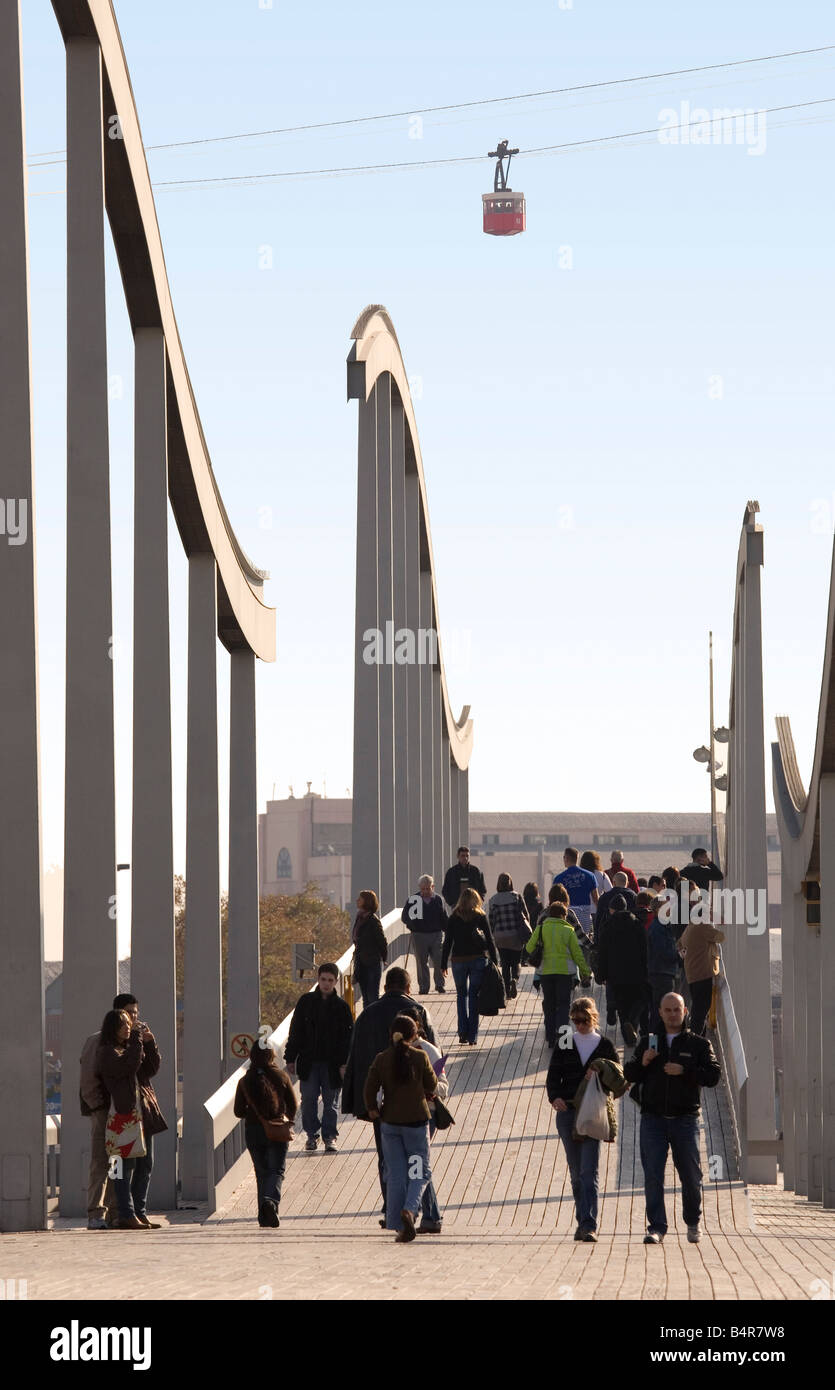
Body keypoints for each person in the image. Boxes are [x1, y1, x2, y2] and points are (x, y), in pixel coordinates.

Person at [341, 966, 440, 1231]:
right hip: (418, 1116)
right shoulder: (419, 1015)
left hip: (385, 1113)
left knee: (389, 1164)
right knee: (418, 1165)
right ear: (409, 988)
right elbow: (435, 1069)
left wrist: (368, 1107)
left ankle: (393, 1214)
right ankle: (421, 1213)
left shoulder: (368, 1015)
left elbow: (355, 1058)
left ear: (385, 988)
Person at [624, 992, 721, 1244]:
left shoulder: (698, 1044)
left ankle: (693, 1222)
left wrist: (685, 1070)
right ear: (659, 1013)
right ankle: (656, 1227)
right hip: (653, 1118)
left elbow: (713, 1075)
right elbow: (629, 1073)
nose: (672, 1014)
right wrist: (643, 1062)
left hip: (685, 1119)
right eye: (667, 1010)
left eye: (676, 1010)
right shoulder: (648, 1041)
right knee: (653, 1175)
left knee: (690, 1175)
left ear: (685, 1011)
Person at [547, 996, 623, 1242]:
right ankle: (582, 1220)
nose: (579, 1025)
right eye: (575, 1020)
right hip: (567, 1112)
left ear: (593, 1018)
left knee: (589, 1171)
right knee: (576, 1170)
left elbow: (619, 1080)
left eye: (584, 1020)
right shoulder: (565, 1042)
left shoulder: (605, 1046)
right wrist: (554, 1098)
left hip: (592, 1114)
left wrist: (600, 1074)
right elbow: (553, 1077)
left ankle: (589, 1224)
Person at [364, 1014, 437, 1242]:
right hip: (415, 1125)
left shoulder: (382, 1058)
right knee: (418, 1173)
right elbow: (432, 1084)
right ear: (414, 1034)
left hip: (391, 1125)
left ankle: (397, 1224)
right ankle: (410, 1210)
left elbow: (369, 1088)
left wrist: (373, 1109)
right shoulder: (419, 1056)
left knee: (395, 1174)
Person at [96, 1007, 167, 1230]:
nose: (129, 1028)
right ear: (113, 1029)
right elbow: (129, 1066)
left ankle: (138, 1211)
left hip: (141, 1116)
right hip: (121, 1118)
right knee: (121, 1168)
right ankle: (126, 1214)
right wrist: (137, 1039)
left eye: (130, 1024)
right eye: (124, 1025)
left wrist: (150, 1043)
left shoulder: (130, 1049)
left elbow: (150, 1068)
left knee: (144, 1165)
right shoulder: (108, 1052)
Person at [79, 990, 139, 1230]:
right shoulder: (98, 1042)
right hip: (104, 1110)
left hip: (120, 1112)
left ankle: (116, 1211)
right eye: (129, 1014)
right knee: (100, 1162)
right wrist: (97, 1106)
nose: (133, 1019)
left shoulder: (129, 1042)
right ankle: (96, 1212)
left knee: (118, 1162)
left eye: (135, 1014)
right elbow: (87, 1078)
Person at [284, 962, 353, 1154]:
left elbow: (348, 1038)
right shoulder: (305, 1002)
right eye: (323, 979)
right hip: (309, 1061)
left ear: (336, 982)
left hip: (333, 1063)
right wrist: (290, 1057)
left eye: (330, 980)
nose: (326, 984)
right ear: (318, 979)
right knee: (308, 1101)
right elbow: (295, 1031)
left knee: (331, 1103)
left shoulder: (342, 1008)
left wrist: (345, 1063)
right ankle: (311, 1136)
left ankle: (330, 1137)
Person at [234, 1040, 298, 1227]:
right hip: (277, 1129)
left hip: (253, 1131)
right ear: (272, 1056)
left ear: (252, 1056)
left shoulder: (245, 1081)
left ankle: (264, 1216)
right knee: (276, 1170)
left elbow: (238, 1111)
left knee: (261, 1173)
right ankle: (271, 1202)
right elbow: (293, 1105)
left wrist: (254, 1115)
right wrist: (285, 1119)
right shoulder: (281, 1076)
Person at [525, 900, 587, 1047]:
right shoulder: (568, 931)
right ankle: (564, 1040)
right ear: (563, 915)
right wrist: (585, 971)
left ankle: (550, 1036)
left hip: (545, 972)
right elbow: (577, 954)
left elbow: (528, 947)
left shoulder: (541, 929)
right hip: (565, 973)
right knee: (564, 1005)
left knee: (549, 1004)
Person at [441, 886, 499, 1045]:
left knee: (461, 996)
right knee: (473, 996)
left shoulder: (454, 917)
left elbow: (447, 942)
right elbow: (490, 940)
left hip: (458, 961)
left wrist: (443, 963)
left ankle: (462, 1032)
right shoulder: (480, 916)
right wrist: (494, 960)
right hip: (477, 960)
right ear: (476, 900)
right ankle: (472, 1036)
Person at [594, 894, 649, 1045]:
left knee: (621, 1005)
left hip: (615, 974)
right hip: (636, 971)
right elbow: (645, 949)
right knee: (638, 999)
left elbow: (602, 953)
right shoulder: (637, 924)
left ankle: (628, 1033)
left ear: (612, 910)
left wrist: (600, 974)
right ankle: (632, 1024)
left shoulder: (607, 926)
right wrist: (646, 970)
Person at [413, 1021, 448, 1233]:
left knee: (417, 1164)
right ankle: (426, 1214)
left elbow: (443, 1086)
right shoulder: (393, 1050)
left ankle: (428, 1215)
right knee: (415, 1164)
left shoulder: (428, 1050)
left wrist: (426, 1085)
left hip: (427, 1114)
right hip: (402, 1117)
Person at [678, 915, 725, 1036]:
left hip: (692, 974)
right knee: (701, 1010)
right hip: (703, 974)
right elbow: (720, 937)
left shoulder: (690, 927)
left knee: (697, 1008)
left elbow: (679, 944)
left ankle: (699, 1037)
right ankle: (695, 1038)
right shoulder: (702, 926)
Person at [401, 874, 447, 995]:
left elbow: (444, 918)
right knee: (421, 962)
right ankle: (424, 986)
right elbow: (404, 916)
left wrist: (447, 930)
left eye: (428, 888)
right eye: (423, 889)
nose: (425, 891)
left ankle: (440, 984)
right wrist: (411, 925)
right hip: (419, 935)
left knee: (438, 960)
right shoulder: (413, 900)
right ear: (420, 888)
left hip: (436, 934)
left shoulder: (438, 900)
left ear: (433, 887)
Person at [487, 872, 530, 998]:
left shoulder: (493, 900)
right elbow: (526, 915)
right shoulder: (516, 896)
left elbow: (491, 920)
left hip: (500, 936)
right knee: (516, 961)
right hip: (515, 934)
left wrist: (494, 933)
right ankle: (514, 980)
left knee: (505, 962)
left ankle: (506, 988)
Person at [646, 897, 682, 1029]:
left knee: (659, 1010)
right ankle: (655, 1044)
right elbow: (662, 952)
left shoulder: (661, 926)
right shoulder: (658, 928)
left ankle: (655, 1042)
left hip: (661, 972)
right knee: (661, 1011)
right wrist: (678, 956)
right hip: (662, 974)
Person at [351, 889, 388, 1006]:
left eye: (360, 899)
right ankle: (367, 1022)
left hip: (372, 962)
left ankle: (374, 1021)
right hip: (361, 962)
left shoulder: (373, 920)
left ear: (366, 902)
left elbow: (382, 941)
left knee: (372, 996)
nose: (357, 900)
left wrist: (384, 957)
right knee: (365, 997)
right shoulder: (360, 917)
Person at [553, 847, 598, 936]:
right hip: (585, 915)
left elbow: (555, 901)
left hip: (567, 915)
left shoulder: (559, 878)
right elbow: (596, 899)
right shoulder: (590, 876)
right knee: (585, 943)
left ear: (566, 858)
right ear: (577, 858)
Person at [580, 850, 612, 926]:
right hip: (596, 910)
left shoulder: (579, 875)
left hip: (581, 911)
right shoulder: (602, 875)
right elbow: (610, 892)